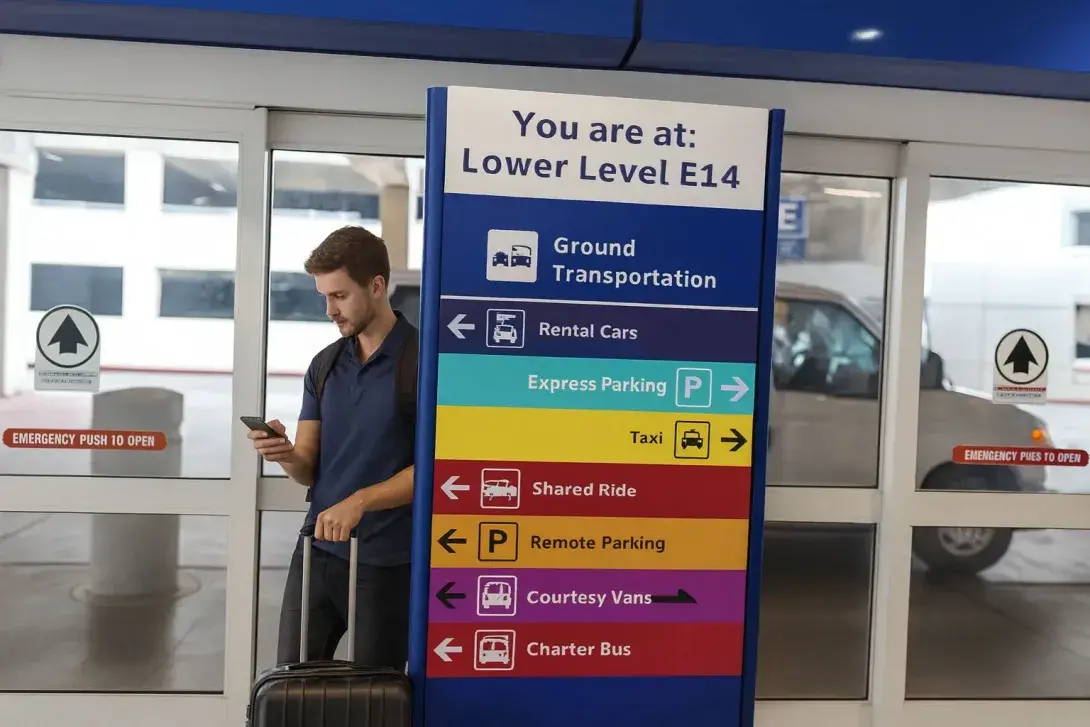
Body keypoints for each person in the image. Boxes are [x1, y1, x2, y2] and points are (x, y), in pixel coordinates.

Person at [249, 225, 417, 669]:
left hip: (384, 562)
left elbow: (440, 470)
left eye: (339, 296)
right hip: (316, 552)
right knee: (291, 685)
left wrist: (361, 501)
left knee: (372, 697)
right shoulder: (325, 365)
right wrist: (282, 452)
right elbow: (307, 467)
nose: (329, 309)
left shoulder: (421, 363)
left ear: (377, 286)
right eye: (324, 296)